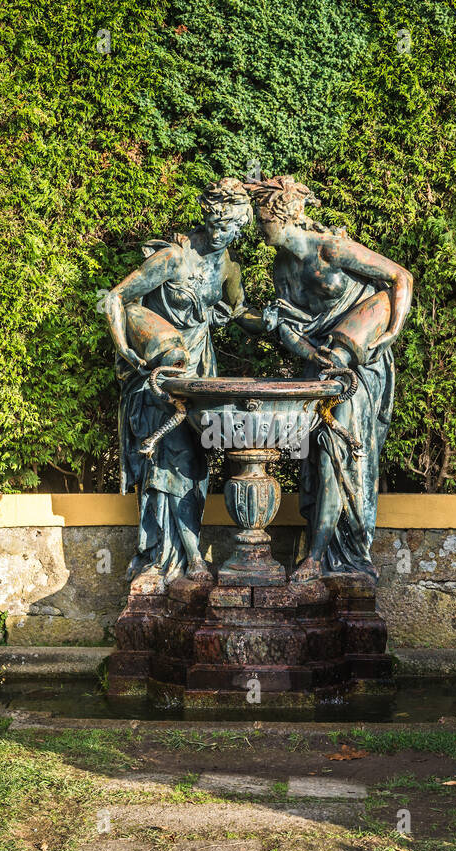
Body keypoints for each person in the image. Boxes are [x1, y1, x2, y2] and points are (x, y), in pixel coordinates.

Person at [247, 175, 413, 583]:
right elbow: (289, 327)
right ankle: (320, 550)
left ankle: (323, 557)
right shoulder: (280, 266)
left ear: (285, 215)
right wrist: (300, 346)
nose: (258, 226)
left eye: (263, 218)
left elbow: (400, 279)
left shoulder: (332, 248)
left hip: (355, 363)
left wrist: (391, 331)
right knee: (318, 460)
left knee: (338, 455)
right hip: (319, 365)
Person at [103, 178, 253, 590]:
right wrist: (130, 350)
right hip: (162, 375)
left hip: (202, 371)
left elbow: (240, 313)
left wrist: (283, 327)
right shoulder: (172, 257)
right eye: (222, 225)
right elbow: (117, 298)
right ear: (208, 216)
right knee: (168, 462)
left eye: (236, 229)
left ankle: (187, 553)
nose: (227, 235)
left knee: (196, 464)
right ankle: (170, 557)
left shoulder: (229, 266)